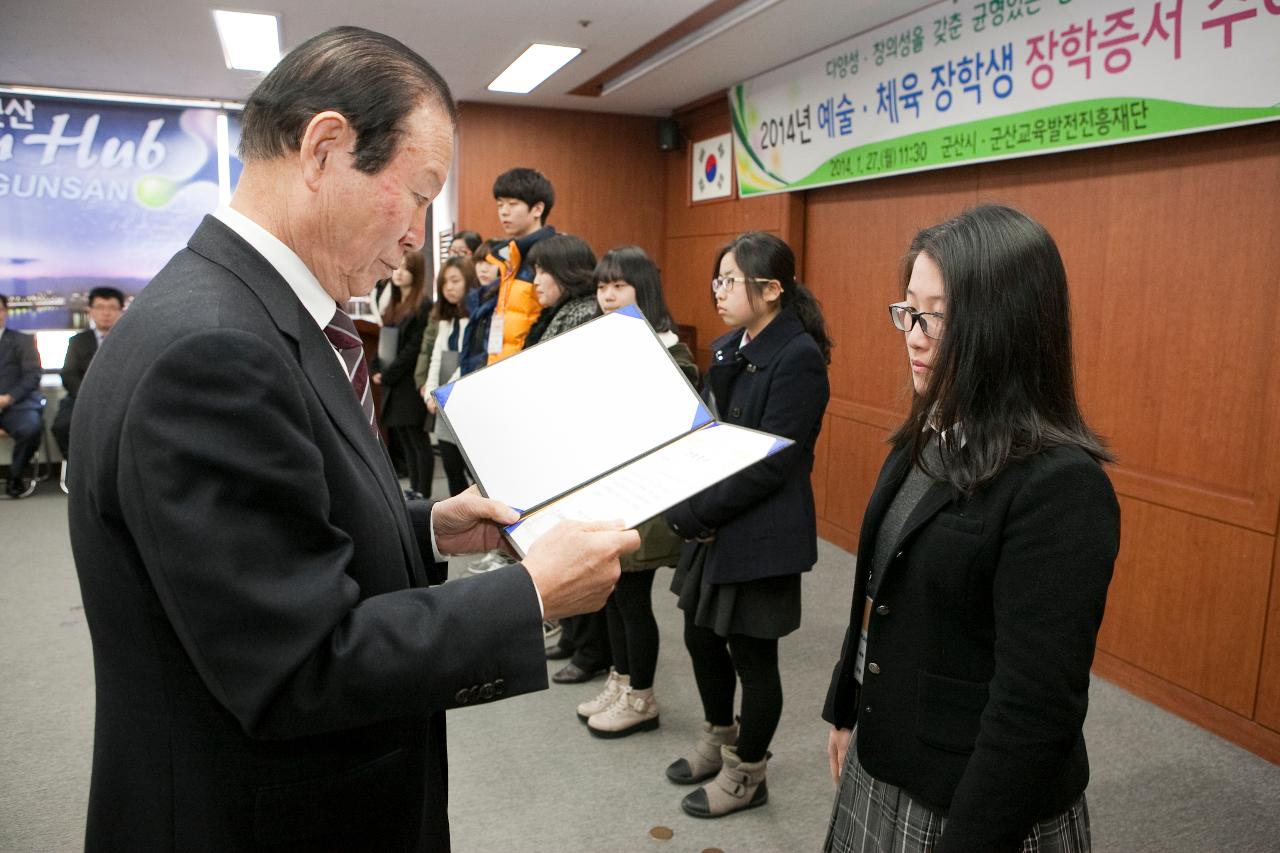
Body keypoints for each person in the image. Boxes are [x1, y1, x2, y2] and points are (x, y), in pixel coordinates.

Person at [67, 27, 638, 853]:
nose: (419, 236)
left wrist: (426, 526)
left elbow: (273, 533)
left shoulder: (240, 313)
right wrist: (532, 596)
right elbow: (299, 665)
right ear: (325, 147)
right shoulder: (215, 351)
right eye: (417, 194)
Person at [821, 204, 1120, 853]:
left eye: (938, 315)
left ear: (1006, 326)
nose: (916, 334)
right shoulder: (922, 437)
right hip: (886, 755)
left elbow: (1034, 710)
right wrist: (847, 710)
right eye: (908, 310)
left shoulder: (1059, 485)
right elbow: (879, 596)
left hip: (972, 805)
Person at [663, 231, 833, 819]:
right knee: (699, 633)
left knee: (753, 657)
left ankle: (748, 772)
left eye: (730, 280)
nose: (719, 291)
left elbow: (770, 462)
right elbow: (714, 434)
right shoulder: (735, 345)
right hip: (718, 515)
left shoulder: (799, 357)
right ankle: (719, 733)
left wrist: (699, 514)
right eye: (718, 279)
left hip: (761, 528)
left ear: (771, 289)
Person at [577, 246, 698, 738]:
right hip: (605, 489)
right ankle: (621, 680)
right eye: (603, 285)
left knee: (630, 596)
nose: (607, 294)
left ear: (642, 288)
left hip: (644, 496)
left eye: (619, 285)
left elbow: (675, 425)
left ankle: (641, 697)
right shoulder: (603, 341)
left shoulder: (670, 349)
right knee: (610, 592)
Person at [372, 249, 434, 499]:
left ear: (416, 273)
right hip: (393, 382)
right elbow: (384, 341)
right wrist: (377, 367)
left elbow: (413, 349)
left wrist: (388, 374)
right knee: (405, 439)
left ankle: (424, 493)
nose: (399, 273)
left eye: (406, 268)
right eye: (398, 267)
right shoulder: (393, 303)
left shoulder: (423, 304)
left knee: (418, 440)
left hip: (408, 382)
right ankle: (415, 490)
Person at [487, 167, 556, 363]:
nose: (503, 212)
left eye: (512, 204)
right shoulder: (508, 255)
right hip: (499, 366)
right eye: (500, 205)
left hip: (527, 369)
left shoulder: (550, 255)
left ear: (537, 209)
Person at [422, 256, 478, 497]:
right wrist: (431, 390)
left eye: (455, 280)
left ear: (469, 280)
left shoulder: (476, 316)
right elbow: (437, 356)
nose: (449, 287)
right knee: (450, 465)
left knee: (473, 470)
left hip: (462, 397)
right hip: (443, 398)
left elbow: (469, 360)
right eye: (445, 282)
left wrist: (443, 392)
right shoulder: (446, 318)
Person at [52, 286, 125, 461]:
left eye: (112, 308)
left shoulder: (131, 341)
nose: (106, 313)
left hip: (121, 399)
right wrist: (89, 397)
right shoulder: (77, 341)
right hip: (82, 398)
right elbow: (68, 374)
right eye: (100, 307)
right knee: (61, 426)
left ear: (121, 311)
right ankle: (79, 470)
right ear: (90, 311)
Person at [0, 294, 46, 498]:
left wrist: (9, 397)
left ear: (5, 312)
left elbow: (33, 375)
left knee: (31, 428)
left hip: (17, 405)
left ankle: (15, 476)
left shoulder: (23, 340)